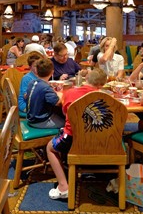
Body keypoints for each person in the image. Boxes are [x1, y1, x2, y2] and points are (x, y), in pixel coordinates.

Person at [46, 68, 107, 200]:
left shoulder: (70, 93)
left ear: (86, 79)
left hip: (72, 139)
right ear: (101, 86)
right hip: (100, 140)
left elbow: (64, 113)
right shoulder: (106, 98)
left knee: (50, 148)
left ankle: (63, 186)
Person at [25, 58, 65, 129]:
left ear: (36, 71)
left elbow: (25, 96)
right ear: (52, 72)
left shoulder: (32, 83)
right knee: (68, 123)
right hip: (40, 121)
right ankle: (58, 139)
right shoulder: (46, 88)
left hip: (30, 117)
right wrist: (60, 94)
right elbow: (57, 102)